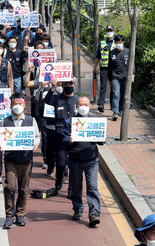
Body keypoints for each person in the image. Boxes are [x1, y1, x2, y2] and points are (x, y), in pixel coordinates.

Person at [0, 94, 40, 229]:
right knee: (10, 187)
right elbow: (0, 137)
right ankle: (9, 215)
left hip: (26, 160)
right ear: (11, 105)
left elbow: (37, 136)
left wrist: (35, 144)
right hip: (10, 159)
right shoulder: (5, 121)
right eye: (14, 104)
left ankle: (20, 214)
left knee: (23, 189)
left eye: (20, 104)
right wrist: (0, 144)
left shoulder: (31, 120)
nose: (17, 107)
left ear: (23, 105)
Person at [63, 96, 101, 227]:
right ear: (77, 107)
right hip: (75, 159)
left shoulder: (95, 122)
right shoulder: (70, 122)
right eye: (81, 104)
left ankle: (94, 213)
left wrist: (102, 136)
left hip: (92, 159)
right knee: (76, 187)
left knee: (92, 187)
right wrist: (68, 139)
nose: (83, 107)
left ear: (89, 106)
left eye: (86, 104)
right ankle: (78, 208)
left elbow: (101, 141)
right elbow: (63, 139)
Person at [44, 77, 78, 191]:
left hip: (75, 137)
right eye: (66, 84)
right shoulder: (56, 98)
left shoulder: (78, 100)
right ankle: (59, 179)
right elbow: (46, 103)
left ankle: (71, 189)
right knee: (61, 163)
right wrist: (52, 88)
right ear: (62, 85)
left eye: (71, 84)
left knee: (74, 165)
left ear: (74, 85)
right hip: (60, 136)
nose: (68, 86)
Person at [108, 34, 134, 121]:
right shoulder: (112, 53)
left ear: (123, 42)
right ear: (115, 42)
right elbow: (109, 67)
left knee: (124, 94)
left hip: (126, 77)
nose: (119, 43)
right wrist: (110, 79)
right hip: (115, 77)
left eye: (121, 41)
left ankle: (121, 109)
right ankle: (115, 112)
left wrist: (133, 74)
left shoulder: (128, 52)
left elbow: (132, 64)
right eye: (118, 41)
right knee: (116, 93)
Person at [92, 25, 116, 112]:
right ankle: (101, 104)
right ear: (106, 32)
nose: (109, 32)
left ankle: (113, 105)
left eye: (111, 30)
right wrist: (94, 67)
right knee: (103, 86)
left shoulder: (116, 43)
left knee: (114, 86)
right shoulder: (101, 43)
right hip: (104, 68)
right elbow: (98, 56)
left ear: (113, 31)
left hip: (114, 68)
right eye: (108, 30)